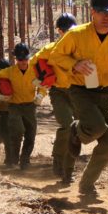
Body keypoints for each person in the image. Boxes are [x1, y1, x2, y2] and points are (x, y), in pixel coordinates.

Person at [49, 0, 108, 195]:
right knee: (97, 127)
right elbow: (55, 56)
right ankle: (76, 131)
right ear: (92, 12)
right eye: (101, 12)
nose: (106, 17)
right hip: (80, 90)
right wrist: (74, 64)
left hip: (107, 92)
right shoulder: (76, 34)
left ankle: (87, 184)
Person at [32, 13, 78, 183]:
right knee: (67, 126)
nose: (68, 33)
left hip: (78, 92)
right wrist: (39, 84)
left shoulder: (80, 48)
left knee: (77, 131)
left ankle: (68, 170)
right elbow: (33, 65)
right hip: (58, 93)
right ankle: (59, 163)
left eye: (71, 30)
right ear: (59, 31)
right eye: (64, 30)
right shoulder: (50, 49)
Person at [0, 43, 46, 169]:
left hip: (30, 106)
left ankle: (25, 160)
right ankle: (13, 159)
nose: (23, 62)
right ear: (15, 59)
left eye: (25, 58)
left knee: (31, 135)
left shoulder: (35, 70)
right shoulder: (9, 72)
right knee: (18, 131)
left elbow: (43, 85)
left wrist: (41, 95)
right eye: (20, 59)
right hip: (14, 106)